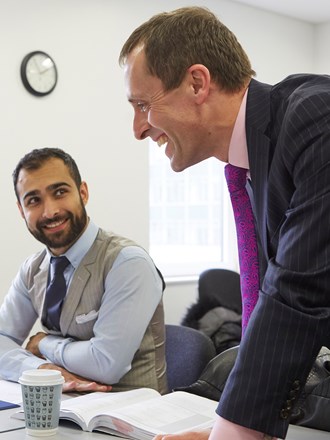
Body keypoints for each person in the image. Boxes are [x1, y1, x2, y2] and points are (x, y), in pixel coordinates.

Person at [119, 6, 330, 439]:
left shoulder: (314, 118)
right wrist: (225, 426)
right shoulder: (251, 167)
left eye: (143, 105)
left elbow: (297, 292)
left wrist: (233, 431)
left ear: (197, 82)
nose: (138, 129)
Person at [0, 147, 167, 394]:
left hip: (130, 417)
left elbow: (106, 364)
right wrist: (43, 369)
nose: (50, 211)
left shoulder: (127, 262)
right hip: (63, 409)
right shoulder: (32, 270)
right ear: (21, 211)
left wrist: (45, 343)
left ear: (83, 193)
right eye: (34, 200)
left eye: (60, 192)